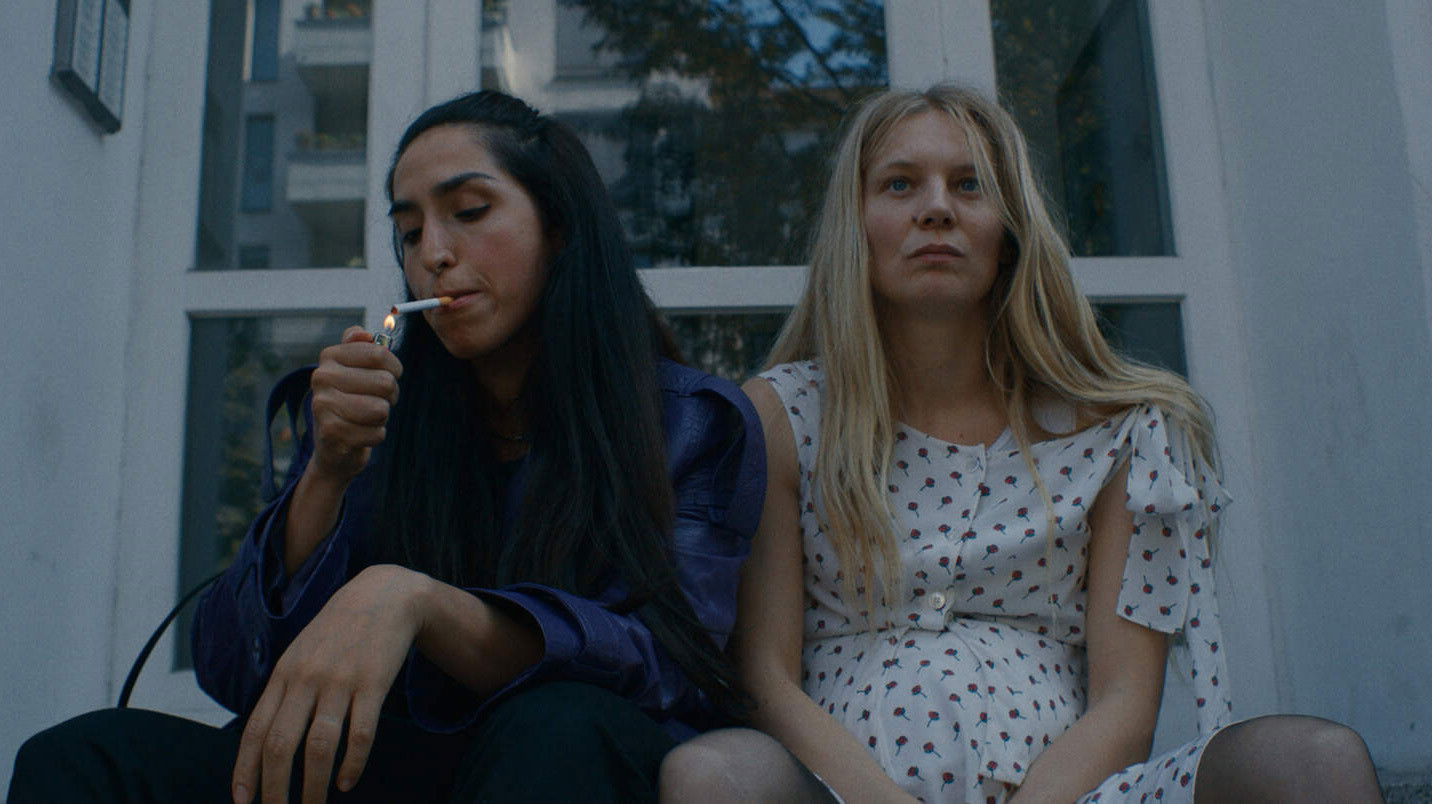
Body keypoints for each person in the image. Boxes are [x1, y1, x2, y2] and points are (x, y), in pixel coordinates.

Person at [10, 90, 764, 803]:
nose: (433, 252)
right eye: (408, 231)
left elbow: (669, 668)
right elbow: (234, 671)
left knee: (559, 724)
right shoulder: (378, 414)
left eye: (470, 211)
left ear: (558, 226)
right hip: (390, 762)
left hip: (571, 763)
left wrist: (420, 602)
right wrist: (327, 474)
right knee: (82, 757)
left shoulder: (689, 423)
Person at [658, 85, 1384, 803]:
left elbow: (1127, 701)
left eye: (969, 184)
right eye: (900, 184)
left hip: (1073, 799)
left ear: (1009, 231)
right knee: (714, 771)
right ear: (856, 223)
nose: (936, 208)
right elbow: (765, 679)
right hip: (838, 797)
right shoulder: (783, 417)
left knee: (1312, 761)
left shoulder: (1116, 432)